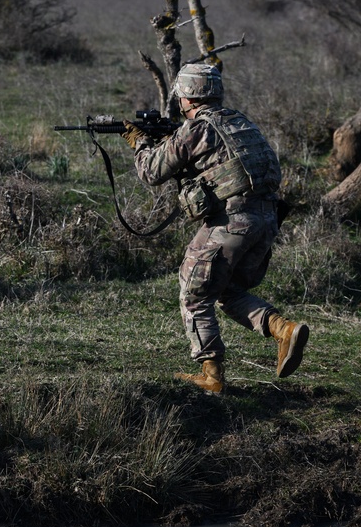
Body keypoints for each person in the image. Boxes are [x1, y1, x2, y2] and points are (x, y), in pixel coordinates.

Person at [120, 63, 309, 394]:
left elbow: (151, 172)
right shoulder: (241, 123)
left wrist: (139, 143)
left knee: (194, 292)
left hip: (231, 223)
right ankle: (283, 329)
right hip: (266, 222)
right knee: (225, 290)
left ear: (188, 96)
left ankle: (212, 374)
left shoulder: (195, 130)